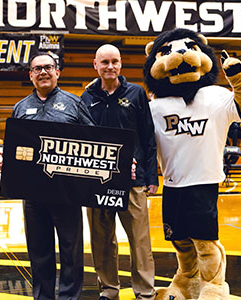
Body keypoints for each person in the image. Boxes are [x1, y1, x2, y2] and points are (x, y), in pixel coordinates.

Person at [11, 52, 95, 300]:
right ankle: (43, 297)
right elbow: (15, 147)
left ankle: (69, 297)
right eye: (37, 69)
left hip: (66, 192)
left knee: (71, 249)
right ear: (30, 75)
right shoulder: (20, 107)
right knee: (39, 251)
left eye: (48, 67)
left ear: (57, 72)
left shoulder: (74, 103)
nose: (43, 72)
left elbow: (94, 141)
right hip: (33, 194)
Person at [81, 44, 159, 300]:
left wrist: (151, 177)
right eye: (105, 62)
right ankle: (109, 289)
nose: (110, 66)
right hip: (97, 182)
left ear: (121, 64)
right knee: (102, 241)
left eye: (115, 61)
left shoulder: (136, 93)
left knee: (139, 240)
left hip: (133, 182)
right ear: (96, 65)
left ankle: (145, 291)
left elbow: (148, 137)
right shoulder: (87, 97)